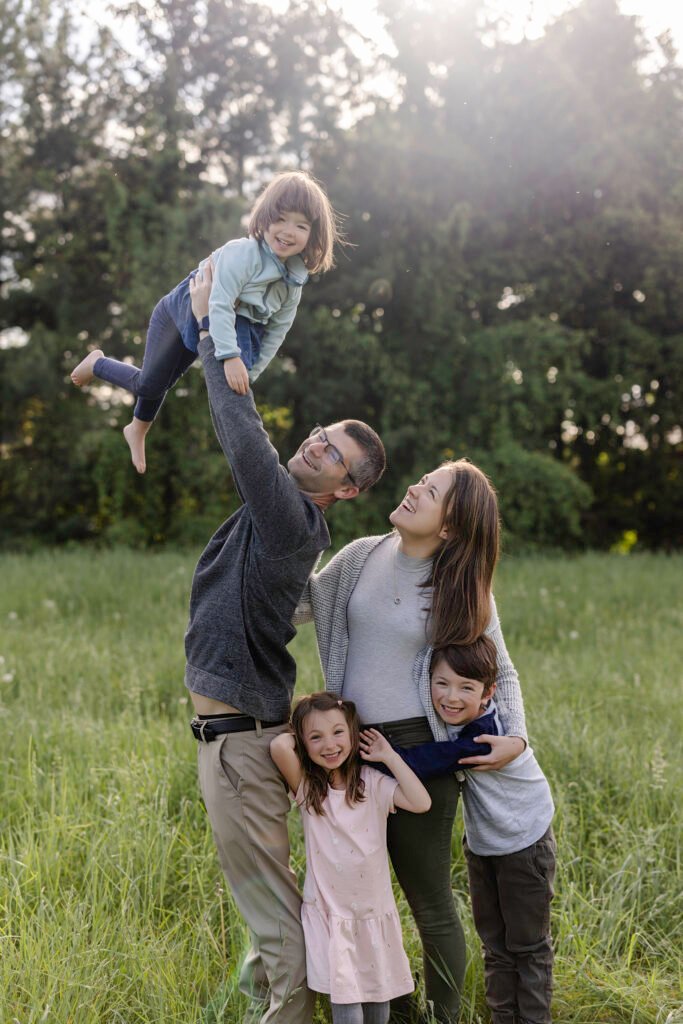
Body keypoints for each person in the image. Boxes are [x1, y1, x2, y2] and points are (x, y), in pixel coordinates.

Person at [182, 265, 386, 1024]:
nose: (316, 443)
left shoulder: (291, 520)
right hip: (237, 735)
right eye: (323, 434)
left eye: (332, 453)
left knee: (273, 917)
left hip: (238, 741)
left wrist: (213, 329)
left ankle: (289, 1012)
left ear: (345, 489)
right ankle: (268, 1005)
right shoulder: (284, 516)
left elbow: (243, 435)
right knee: (266, 907)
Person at [294, 459, 528, 1024]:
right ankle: (394, 1012)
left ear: (449, 526)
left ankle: (443, 1016)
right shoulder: (360, 556)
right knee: (354, 894)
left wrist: (517, 736)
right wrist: (288, 531)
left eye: (431, 490)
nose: (414, 488)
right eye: (422, 480)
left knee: (429, 901)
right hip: (349, 752)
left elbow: (502, 671)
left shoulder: (462, 589)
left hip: (421, 755)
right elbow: (299, 606)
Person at [71, 170, 342, 473]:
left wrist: (250, 373)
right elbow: (219, 304)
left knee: (166, 383)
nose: (288, 231)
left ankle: (136, 428)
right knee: (149, 384)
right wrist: (230, 356)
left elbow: (277, 331)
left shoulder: (293, 281)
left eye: (301, 225)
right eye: (281, 219)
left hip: (227, 322)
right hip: (184, 308)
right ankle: (98, 365)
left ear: (313, 235)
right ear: (265, 218)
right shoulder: (243, 254)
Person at [364, 638, 556, 1024]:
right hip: (485, 843)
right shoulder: (456, 719)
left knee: (527, 946)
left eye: (466, 687)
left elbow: (427, 761)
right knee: (495, 942)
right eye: (442, 684)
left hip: (525, 842)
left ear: (489, 693)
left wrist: (375, 757)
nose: (451, 697)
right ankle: (503, 1017)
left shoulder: (483, 735)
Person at [270, 692, 432, 1024]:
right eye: (316, 737)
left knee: (378, 1006)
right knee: (348, 1010)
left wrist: (388, 756)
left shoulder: (372, 783)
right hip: (331, 916)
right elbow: (279, 747)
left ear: (353, 733)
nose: (329, 745)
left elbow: (421, 802)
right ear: (303, 742)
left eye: (338, 732)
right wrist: (302, 726)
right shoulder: (309, 789)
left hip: (373, 914)